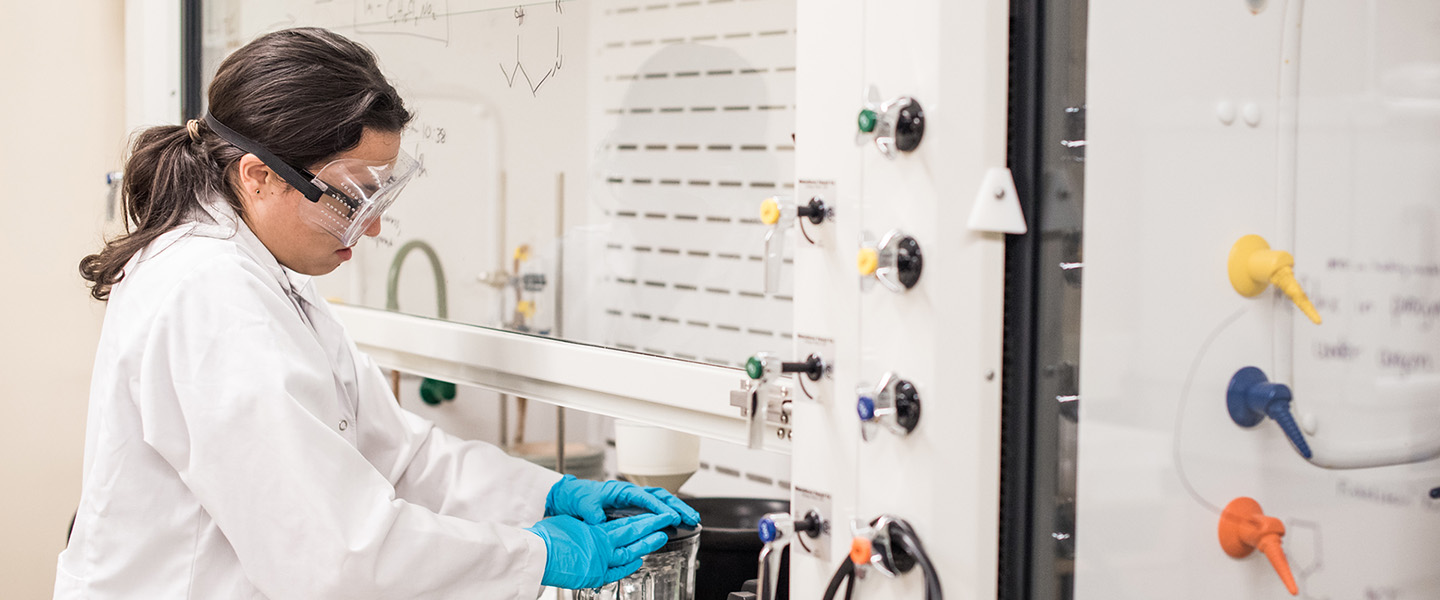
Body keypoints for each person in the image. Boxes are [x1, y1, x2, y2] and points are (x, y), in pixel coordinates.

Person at [56, 27, 698, 599]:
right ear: (259, 176)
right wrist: (537, 554)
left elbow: (395, 455)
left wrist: (546, 494)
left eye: (381, 193)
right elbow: (336, 557)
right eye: (354, 197)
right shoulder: (209, 295)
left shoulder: (259, 268)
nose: (373, 225)